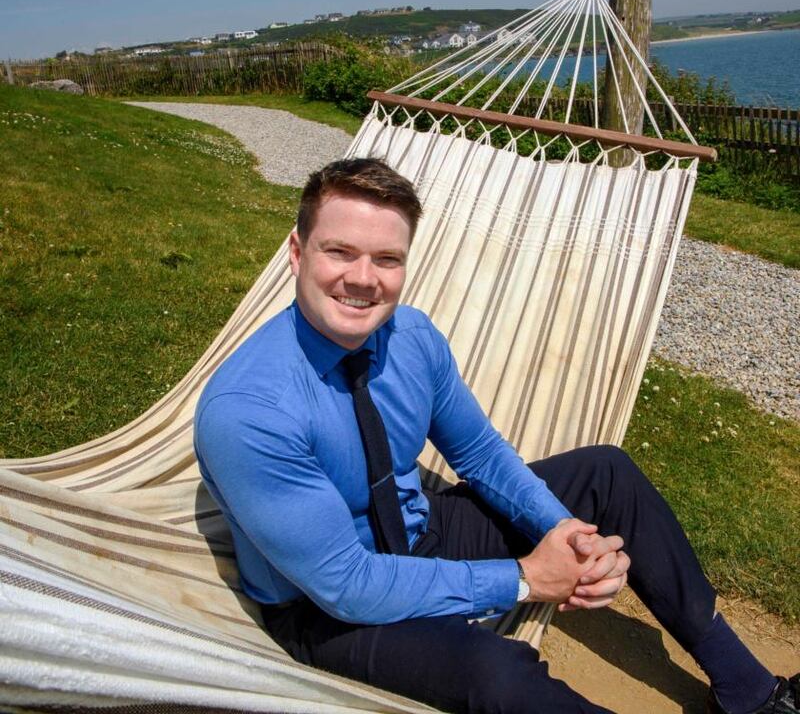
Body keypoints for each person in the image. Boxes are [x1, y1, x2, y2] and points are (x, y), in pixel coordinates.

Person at [194, 158, 798, 714]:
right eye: (340, 252)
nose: (363, 279)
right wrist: (526, 578)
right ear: (297, 253)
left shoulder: (411, 338)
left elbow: (479, 453)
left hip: (417, 530)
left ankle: (750, 692)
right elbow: (348, 585)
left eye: (387, 259)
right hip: (324, 605)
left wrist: (566, 536)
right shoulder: (250, 411)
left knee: (605, 471)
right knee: (495, 674)